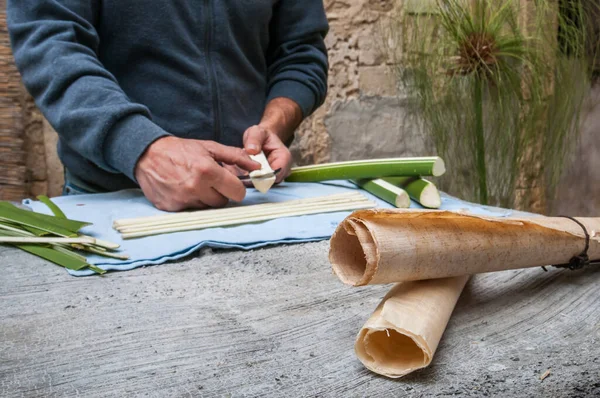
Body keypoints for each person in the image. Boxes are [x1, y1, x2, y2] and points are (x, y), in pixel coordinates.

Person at [7, 1, 329, 211]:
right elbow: (50, 46)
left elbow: (300, 53)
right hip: (117, 199)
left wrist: (273, 126)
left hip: (252, 197)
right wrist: (140, 146)